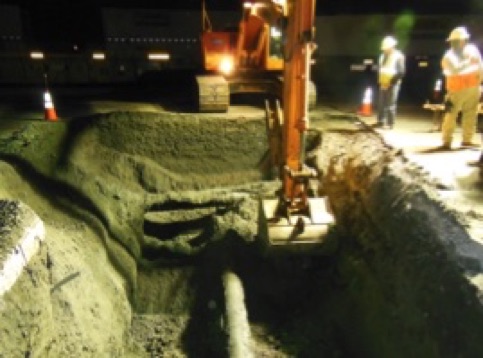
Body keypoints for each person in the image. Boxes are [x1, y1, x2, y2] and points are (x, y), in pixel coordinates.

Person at [440, 26, 483, 149]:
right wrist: (468, 62)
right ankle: (447, 141)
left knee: (470, 114)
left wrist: (480, 82)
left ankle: (467, 140)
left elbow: (481, 65)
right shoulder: (448, 56)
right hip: (456, 90)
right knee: (451, 115)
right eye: (456, 41)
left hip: (473, 88)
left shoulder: (472, 50)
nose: (459, 43)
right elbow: (455, 70)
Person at [376, 35, 405, 129]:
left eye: (386, 48)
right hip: (383, 83)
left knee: (390, 104)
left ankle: (390, 123)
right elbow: (381, 69)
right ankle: (380, 121)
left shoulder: (398, 56)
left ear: (392, 47)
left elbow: (401, 72)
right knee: (381, 103)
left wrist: (391, 82)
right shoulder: (382, 56)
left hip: (393, 84)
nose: (385, 50)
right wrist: (381, 81)